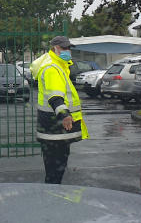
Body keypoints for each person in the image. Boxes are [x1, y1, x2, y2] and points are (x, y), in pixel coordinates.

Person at [30, 35, 89, 184]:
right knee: (55, 170)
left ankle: (53, 196)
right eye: (64, 48)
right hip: (54, 127)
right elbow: (55, 95)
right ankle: (52, 199)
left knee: (56, 168)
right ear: (54, 48)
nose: (67, 51)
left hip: (54, 128)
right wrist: (64, 114)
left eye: (69, 48)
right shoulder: (52, 68)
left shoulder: (60, 66)